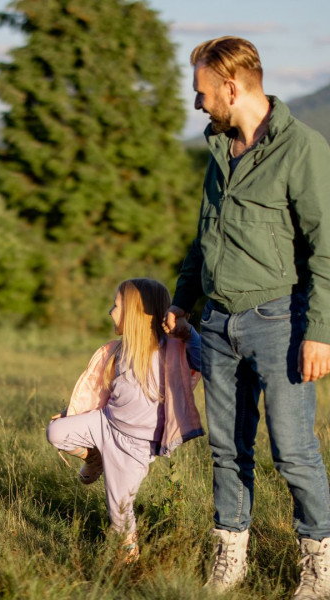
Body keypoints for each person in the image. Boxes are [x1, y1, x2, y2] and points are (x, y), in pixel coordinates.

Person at [165, 36, 330, 598]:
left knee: (293, 450)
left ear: (231, 88)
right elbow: (203, 237)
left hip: (280, 321)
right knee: (226, 450)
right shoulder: (217, 149)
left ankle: (319, 564)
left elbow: (326, 248)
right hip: (216, 324)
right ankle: (230, 559)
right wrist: (182, 302)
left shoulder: (303, 148)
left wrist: (321, 334)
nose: (198, 104)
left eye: (203, 92)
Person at [47, 278, 203, 563]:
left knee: (119, 509)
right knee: (57, 431)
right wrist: (72, 415)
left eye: (115, 306)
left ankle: (127, 558)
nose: (110, 311)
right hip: (106, 422)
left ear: (135, 313)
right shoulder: (118, 350)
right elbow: (99, 391)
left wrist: (189, 333)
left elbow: (203, 361)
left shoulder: (171, 350)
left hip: (135, 445)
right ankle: (95, 457)